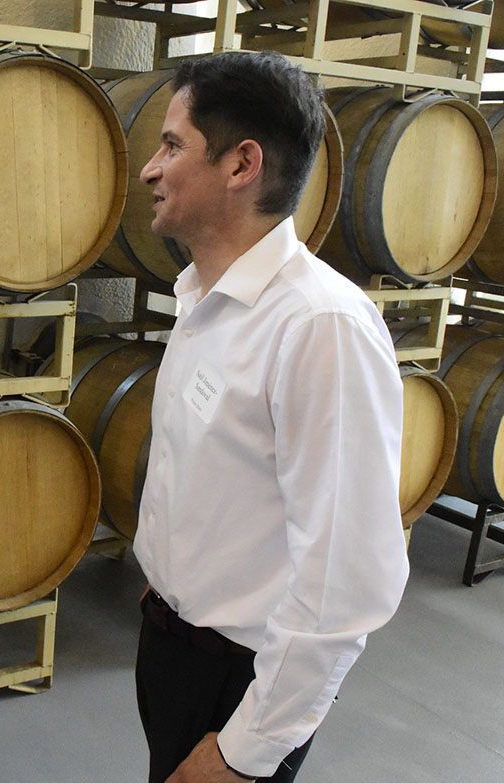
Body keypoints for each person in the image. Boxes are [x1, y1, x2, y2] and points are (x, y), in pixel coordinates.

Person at [132, 51, 409, 783]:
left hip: (240, 683)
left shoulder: (320, 326)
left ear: (241, 163)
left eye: (171, 145)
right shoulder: (203, 296)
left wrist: (244, 751)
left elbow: (346, 585)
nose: (149, 170)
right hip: (175, 643)